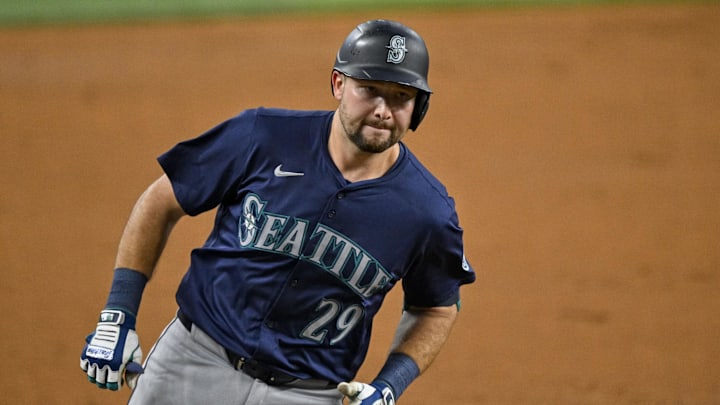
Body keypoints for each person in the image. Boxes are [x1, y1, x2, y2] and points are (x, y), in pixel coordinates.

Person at [80, 19, 475, 405]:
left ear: (419, 105)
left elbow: (436, 308)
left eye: (400, 97)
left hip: (310, 392)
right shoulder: (262, 136)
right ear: (339, 84)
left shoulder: (427, 211)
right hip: (193, 360)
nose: (382, 110)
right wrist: (118, 314)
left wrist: (390, 385)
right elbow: (161, 201)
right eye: (368, 89)